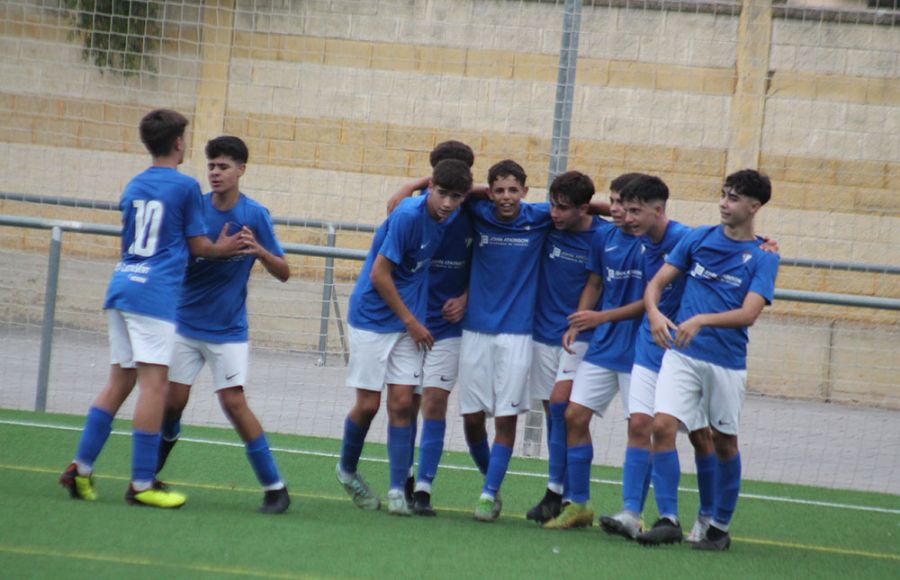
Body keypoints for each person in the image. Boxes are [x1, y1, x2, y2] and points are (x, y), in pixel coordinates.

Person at [59, 109, 245, 508]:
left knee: (119, 381)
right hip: (153, 296)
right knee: (154, 386)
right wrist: (223, 248)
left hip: (122, 285)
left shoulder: (134, 184)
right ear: (179, 143)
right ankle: (142, 484)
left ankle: (81, 468)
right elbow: (198, 246)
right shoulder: (184, 187)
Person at [636, 169, 779, 551]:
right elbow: (655, 284)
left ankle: (719, 526)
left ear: (754, 206)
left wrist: (701, 319)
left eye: (733, 198)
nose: (724, 203)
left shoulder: (764, 257)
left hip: (726, 363)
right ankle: (668, 518)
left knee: (724, 442)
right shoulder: (697, 238)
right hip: (682, 356)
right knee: (661, 426)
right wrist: (653, 313)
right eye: (723, 194)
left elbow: (749, 314)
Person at [154, 136, 292, 514]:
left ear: (241, 170)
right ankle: (149, 475)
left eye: (224, 166)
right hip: (184, 325)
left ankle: (275, 488)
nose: (215, 173)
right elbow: (176, 259)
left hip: (228, 330)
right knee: (172, 403)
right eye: (211, 166)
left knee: (233, 403)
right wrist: (212, 252)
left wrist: (258, 251)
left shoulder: (254, 215)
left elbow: (284, 272)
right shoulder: (193, 208)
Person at [336, 158, 472, 516]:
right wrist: (412, 321)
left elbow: (477, 192)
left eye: (456, 197)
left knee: (401, 404)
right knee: (368, 405)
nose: (447, 203)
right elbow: (381, 275)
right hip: (372, 319)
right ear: (430, 188)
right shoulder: (408, 216)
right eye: (442, 194)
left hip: (406, 325)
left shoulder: (449, 214)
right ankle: (346, 471)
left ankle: (398, 490)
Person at [598, 176, 716, 541]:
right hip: (648, 349)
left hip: (685, 354)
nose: (627, 217)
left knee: (700, 437)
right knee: (639, 427)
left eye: (636, 211)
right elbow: (653, 290)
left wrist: (764, 244)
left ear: (658, 210)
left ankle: (709, 518)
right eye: (624, 209)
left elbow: (727, 243)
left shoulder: (685, 238)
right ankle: (635, 513)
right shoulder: (644, 241)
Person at [542, 174, 652, 529]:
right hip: (603, 345)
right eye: (614, 202)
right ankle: (578, 504)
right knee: (573, 415)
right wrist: (577, 322)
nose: (617, 210)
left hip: (641, 350)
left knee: (640, 426)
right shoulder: (604, 238)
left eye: (626, 204)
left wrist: (761, 244)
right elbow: (594, 283)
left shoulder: (661, 242)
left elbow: (650, 302)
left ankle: (634, 513)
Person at [458, 159, 554, 522]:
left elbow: (580, 205)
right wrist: (484, 193)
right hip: (475, 330)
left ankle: (488, 493)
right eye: (498, 190)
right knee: (470, 418)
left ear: (526, 192)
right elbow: (458, 192)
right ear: (489, 192)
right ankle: (491, 477)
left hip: (517, 334)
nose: (506, 197)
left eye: (513, 190)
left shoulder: (540, 216)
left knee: (505, 417)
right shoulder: (479, 211)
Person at [386, 140, 477, 517]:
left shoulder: (473, 210)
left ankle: (424, 487)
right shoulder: (413, 208)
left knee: (435, 402)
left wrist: (467, 298)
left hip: (449, 323)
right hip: (412, 321)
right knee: (408, 403)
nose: (449, 199)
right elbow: (391, 208)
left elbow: (490, 261)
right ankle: (402, 479)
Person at [525, 170, 613, 524]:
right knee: (554, 414)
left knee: (566, 409)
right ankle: (560, 494)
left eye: (564, 208)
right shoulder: (548, 224)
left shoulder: (607, 236)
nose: (555, 213)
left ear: (583, 208)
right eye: (553, 205)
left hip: (583, 337)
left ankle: (571, 496)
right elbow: (499, 200)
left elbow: (653, 223)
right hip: (545, 334)